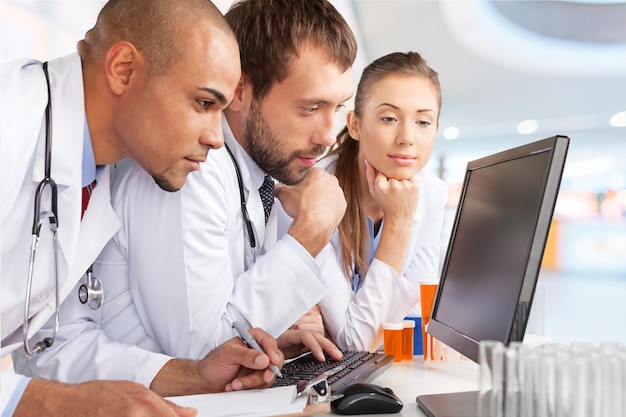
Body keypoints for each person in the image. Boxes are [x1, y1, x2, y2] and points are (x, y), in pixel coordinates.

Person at [1, 0, 285, 415]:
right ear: (123, 70)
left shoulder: (100, 172)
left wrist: (195, 376)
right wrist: (49, 404)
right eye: (204, 103)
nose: (216, 137)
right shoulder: (10, 119)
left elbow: (51, 344)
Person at [86, 0, 356, 362]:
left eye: (337, 108)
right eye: (310, 108)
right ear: (240, 91)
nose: (327, 135)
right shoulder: (188, 167)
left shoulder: (262, 176)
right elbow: (205, 355)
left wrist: (275, 336)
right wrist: (310, 233)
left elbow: (229, 321)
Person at [315, 51, 448, 351]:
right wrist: (398, 224)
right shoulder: (316, 192)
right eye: (389, 118)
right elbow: (356, 342)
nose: (407, 137)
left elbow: (415, 320)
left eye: (423, 122)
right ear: (355, 125)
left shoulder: (431, 194)